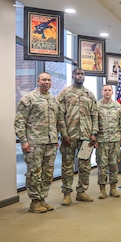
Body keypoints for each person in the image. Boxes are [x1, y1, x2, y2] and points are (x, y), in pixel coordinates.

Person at [15, 72, 64, 213]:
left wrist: (56, 138)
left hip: (50, 143)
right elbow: (19, 121)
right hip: (34, 143)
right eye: (43, 80)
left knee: (48, 173)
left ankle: (43, 198)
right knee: (34, 173)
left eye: (48, 80)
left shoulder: (54, 100)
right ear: (38, 81)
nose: (46, 82)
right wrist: (23, 141)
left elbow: (57, 121)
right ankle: (35, 201)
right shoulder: (29, 98)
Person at [57, 68, 98, 205]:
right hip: (69, 136)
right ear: (73, 76)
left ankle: (81, 192)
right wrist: (63, 133)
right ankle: (67, 193)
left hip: (86, 136)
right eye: (78, 74)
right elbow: (60, 115)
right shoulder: (65, 93)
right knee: (67, 166)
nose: (80, 76)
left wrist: (93, 133)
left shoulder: (89, 94)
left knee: (84, 166)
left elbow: (94, 115)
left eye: (82, 74)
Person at [95, 85, 121, 199]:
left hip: (115, 140)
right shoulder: (96, 106)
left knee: (113, 165)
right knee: (101, 166)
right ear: (101, 92)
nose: (107, 92)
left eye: (109, 90)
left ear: (112, 92)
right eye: (105, 90)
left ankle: (113, 188)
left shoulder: (118, 107)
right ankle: (102, 189)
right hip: (101, 140)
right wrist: (94, 139)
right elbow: (94, 123)